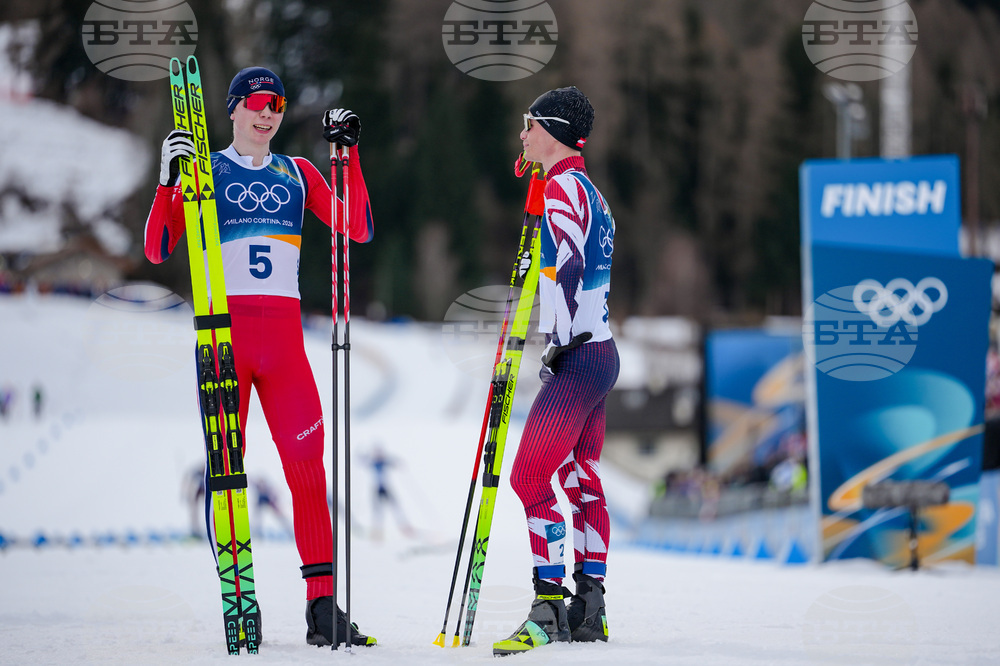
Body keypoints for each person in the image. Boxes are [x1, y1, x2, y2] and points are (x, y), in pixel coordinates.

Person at [144, 66, 375, 648]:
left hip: (285, 350)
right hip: (225, 341)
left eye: (277, 104)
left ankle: (322, 608)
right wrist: (168, 182)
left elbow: (357, 227)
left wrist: (348, 156)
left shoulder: (297, 173)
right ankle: (238, 596)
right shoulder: (205, 170)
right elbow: (158, 248)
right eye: (256, 103)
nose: (267, 113)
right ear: (233, 109)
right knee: (227, 471)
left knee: (308, 472)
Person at [493, 87, 619, 656]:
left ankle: (548, 608)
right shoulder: (592, 190)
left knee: (528, 478)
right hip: (600, 353)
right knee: (580, 479)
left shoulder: (564, 187)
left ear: (553, 130)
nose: (522, 134)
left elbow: (568, 263)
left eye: (529, 124)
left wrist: (558, 342)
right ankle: (589, 607)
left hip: (578, 356)